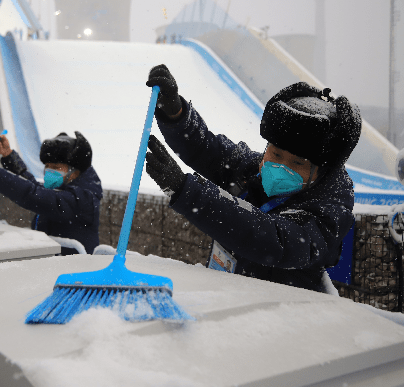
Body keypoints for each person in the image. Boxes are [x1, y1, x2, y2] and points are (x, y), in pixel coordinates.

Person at [144, 64, 362, 292]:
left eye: (297, 163)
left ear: (323, 170)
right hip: (228, 300)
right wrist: (176, 114)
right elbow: (208, 150)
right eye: (275, 153)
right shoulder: (253, 170)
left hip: (281, 317)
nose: (279, 167)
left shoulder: (328, 213)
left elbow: (275, 240)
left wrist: (186, 192)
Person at [0, 131, 103, 255]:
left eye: (56, 167)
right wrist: (9, 156)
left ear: (75, 172)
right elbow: (33, 186)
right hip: (55, 269)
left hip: (75, 277)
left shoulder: (83, 200)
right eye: (47, 166)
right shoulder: (63, 191)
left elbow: (32, 194)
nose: (49, 171)